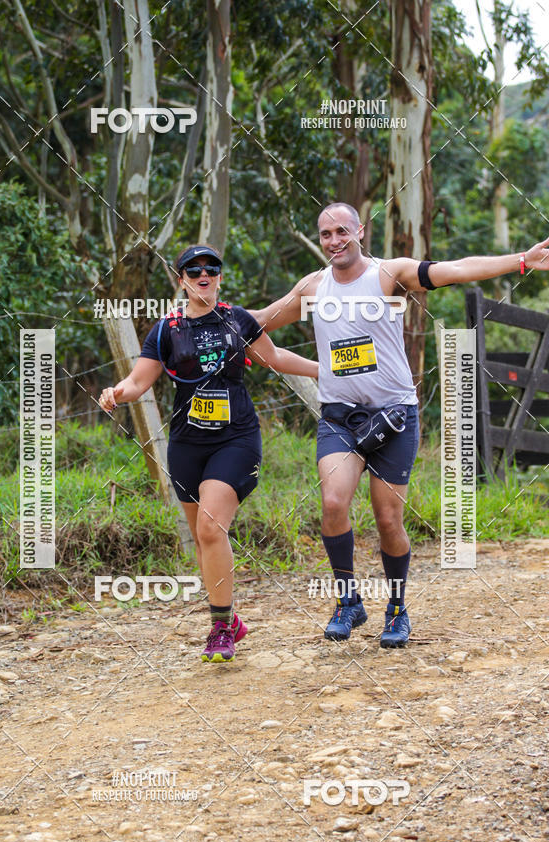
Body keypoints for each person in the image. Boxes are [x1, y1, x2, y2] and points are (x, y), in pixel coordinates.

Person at [251, 202, 549, 649]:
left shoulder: (388, 274)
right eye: (326, 234)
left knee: (388, 520)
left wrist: (522, 260)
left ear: (360, 231)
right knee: (332, 502)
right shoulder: (313, 286)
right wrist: (201, 313)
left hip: (394, 416)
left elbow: (456, 269)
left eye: (342, 231)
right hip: (340, 417)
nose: (334, 240)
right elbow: (258, 321)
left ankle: (396, 608)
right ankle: (348, 601)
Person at [99, 244, 318, 663]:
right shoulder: (166, 329)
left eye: (211, 268)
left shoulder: (239, 319)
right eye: (194, 269)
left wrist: (325, 369)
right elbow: (138, 382)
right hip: (186, 444)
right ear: (181, 278)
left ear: (219, 276)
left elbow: (273, 358)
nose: (203, 275)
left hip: (236, 439)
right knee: (203, 537)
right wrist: (116, 393)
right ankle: (230, 618)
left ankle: (220, 628)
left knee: (212, 527)